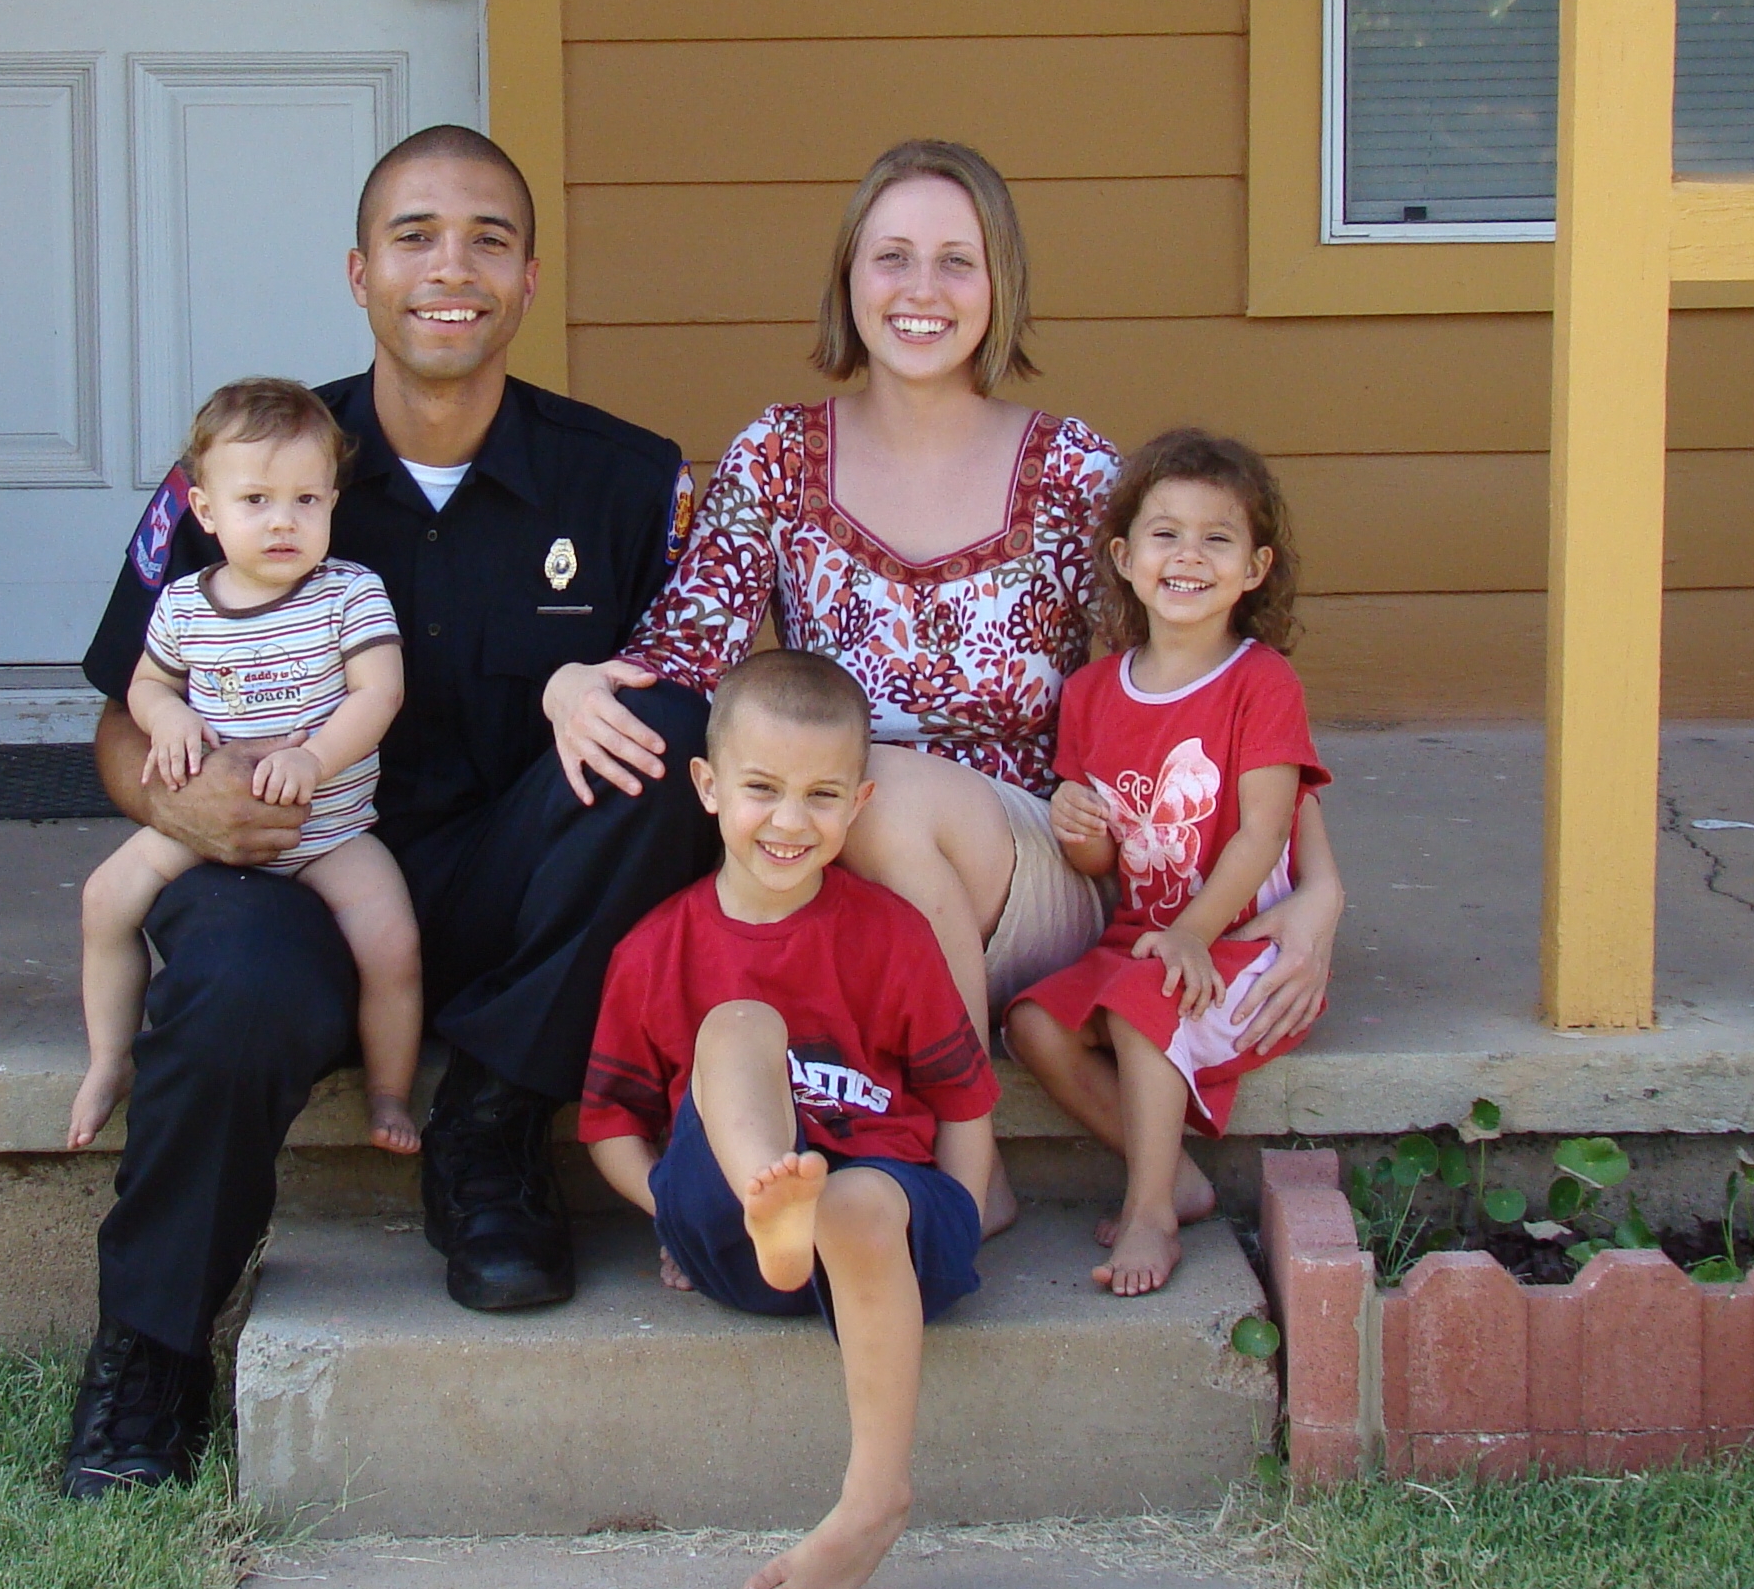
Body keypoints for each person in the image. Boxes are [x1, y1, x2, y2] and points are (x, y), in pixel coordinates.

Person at [62, 126, 718, 1497]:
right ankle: (152, 1349)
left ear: (530, 279)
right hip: (290, 874)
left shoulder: (626, 481)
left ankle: (487, 1129)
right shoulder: (249, 462)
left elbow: (708, 696)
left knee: (671, 735)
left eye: (486, 237)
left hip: (518, 887)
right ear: (358, 273)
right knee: (230, 992)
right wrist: (187, 818)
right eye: (415, 235)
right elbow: (124, 725)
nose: (450, 267)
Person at [542, 140, 1348, 1226]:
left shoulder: (1075, 473)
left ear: (999, 285)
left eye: (956, 262)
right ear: (849, 279)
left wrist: (1317, 900)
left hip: (1040, 866)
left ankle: (973, 1179)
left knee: (882, 787)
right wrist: (567, 686)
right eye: (894, 258)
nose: (923, 292)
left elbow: (1205, 684)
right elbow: (687, 646)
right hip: (832, 856)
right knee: (814, 796)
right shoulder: (778, 455)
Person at [579, 648, 996, 1589]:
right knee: (736, 1026)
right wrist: (670, 1216)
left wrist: (965, 1215)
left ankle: (873, 1496)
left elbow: (964, 1100)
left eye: (821, 795)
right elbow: (609, 1127)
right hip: (728, 1224)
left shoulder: (891, 934)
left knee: (856, 1200)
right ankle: (775, 1213)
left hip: (878, 1229)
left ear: (859, 804)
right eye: (762, 789)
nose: (790, 820)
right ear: (708, 787)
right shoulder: (658, 949)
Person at [1008, 432, 1332, 1297]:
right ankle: (1177, 1174)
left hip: (1241, 949)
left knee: (1144, 1001)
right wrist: (1075, 824)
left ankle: (1149, 1207)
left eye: (1217, 539)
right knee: (1034, 1022)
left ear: (1256, 567)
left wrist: (1192, 931)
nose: (1188, 556)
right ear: (1123, 555)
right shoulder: (1092, 691)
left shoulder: (1260, 683)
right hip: (1139, 942)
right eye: (1165, 534)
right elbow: (1100, 855)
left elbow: (1266, 832)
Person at [69, 379, 420, 1160]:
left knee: (392, 943)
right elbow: (146, 684)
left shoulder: (350, 596)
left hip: (328, 830)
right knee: (104, 900)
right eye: (256, 500)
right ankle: (106, 1059)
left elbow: (380, 692)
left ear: (333, 502)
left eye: (305, 501)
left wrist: (314, 755)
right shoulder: (185, 605)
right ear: (205, 512)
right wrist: (171, 718)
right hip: (214, 829)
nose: (283, 522)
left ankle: (391, 1089)